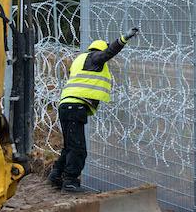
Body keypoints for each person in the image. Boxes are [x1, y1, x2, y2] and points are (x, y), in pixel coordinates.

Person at [49, 28, 138, 192]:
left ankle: (56, 175)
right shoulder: (94, 58)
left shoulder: (80, 60)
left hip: (67, 106)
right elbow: (109, 52)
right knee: (78, 149)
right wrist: (124, 39)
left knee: (70, 146)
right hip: (75, 107)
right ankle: (70, 181)